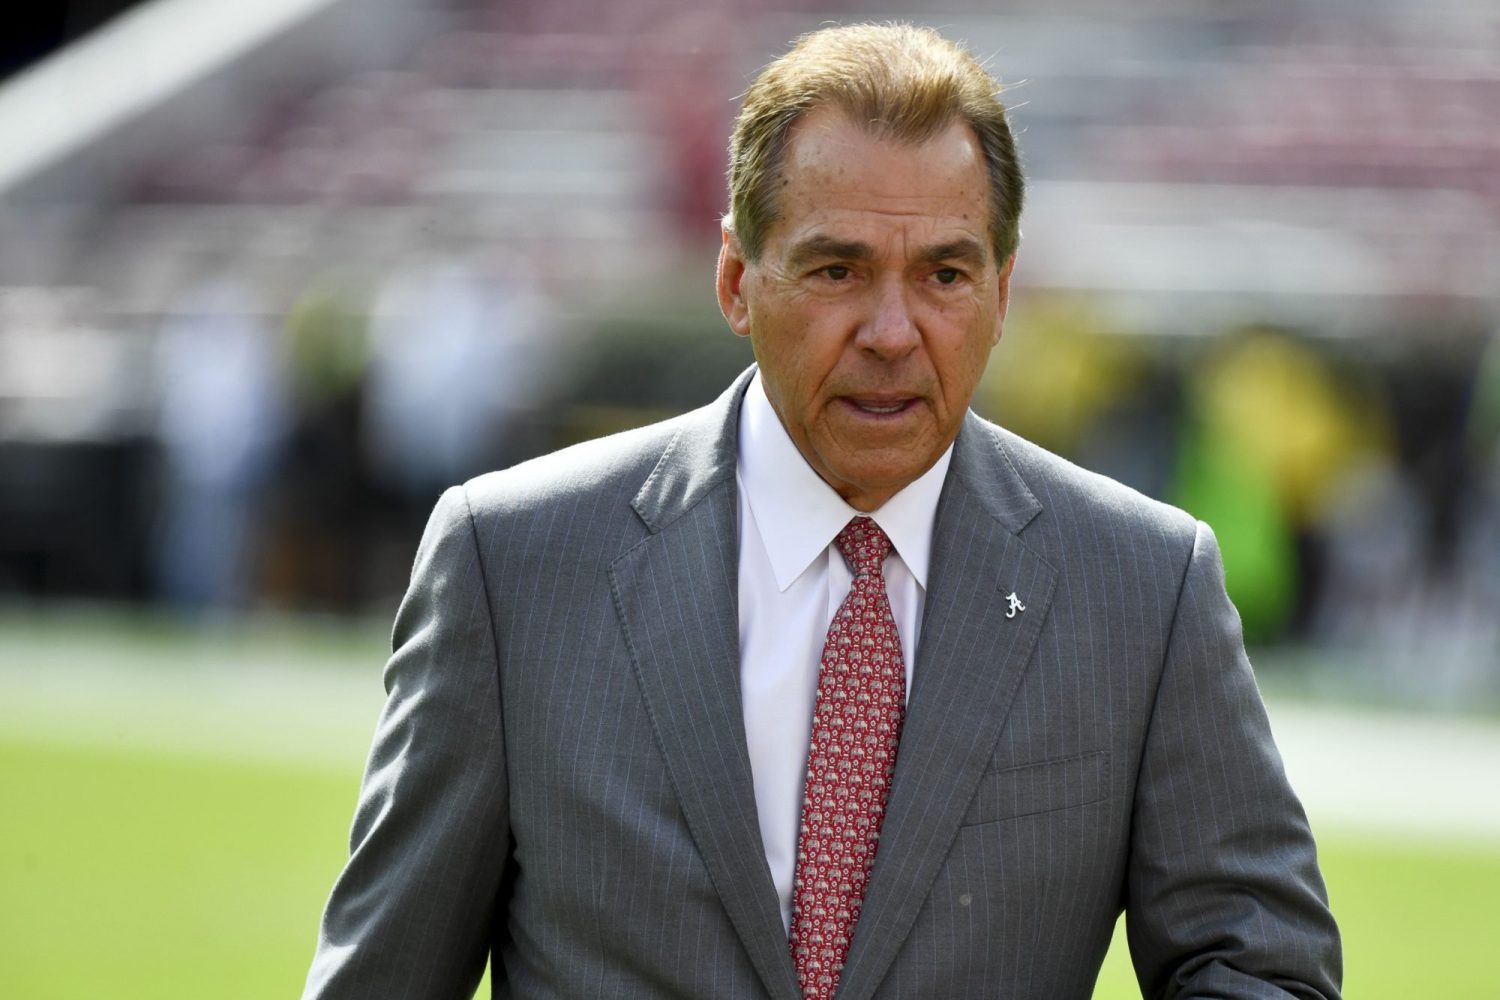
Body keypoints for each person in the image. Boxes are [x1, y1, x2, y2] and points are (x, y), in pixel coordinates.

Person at [304, 23, 1341, 1000]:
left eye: (944, 274)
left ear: (1002, 294)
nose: (892, 330)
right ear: (735, 279)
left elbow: (1262, 967)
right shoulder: (513, 564)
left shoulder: (1142, 587)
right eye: (838, 269)